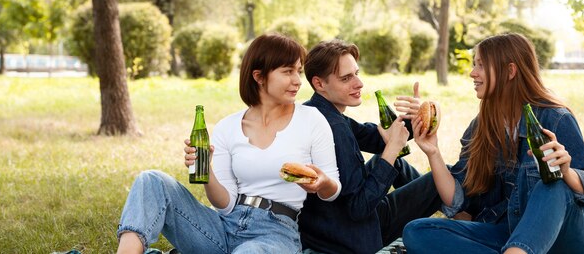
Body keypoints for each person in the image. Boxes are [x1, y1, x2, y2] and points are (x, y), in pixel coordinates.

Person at [116, 33, 341, 254]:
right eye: (288, 71)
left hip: (275, 233)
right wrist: (207, 170)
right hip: (223, 227)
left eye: (298, 71)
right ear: (259, 76)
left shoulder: (311, 119)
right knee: (152, 181)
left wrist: (322, 183)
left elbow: (333, 190)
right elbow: (225, 204)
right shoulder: (228, 126)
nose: (297, 81)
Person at [404, 33, 584, 253]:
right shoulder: (481, 126)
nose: (472, 73)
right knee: (417, 231)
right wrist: (433, 151)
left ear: (510, 71)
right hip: (507, 234)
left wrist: (567, 173)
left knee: (553, 183)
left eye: (481, 65)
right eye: (474, 65)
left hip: (561, 239)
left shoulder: (555, 119)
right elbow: (458, 200)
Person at [299, 39, 442, 254]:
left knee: (393, 163)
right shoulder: (334, 128)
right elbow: (359, 208)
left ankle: (450, 202)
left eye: (356, 73)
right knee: (443, 174)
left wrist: (423, 113)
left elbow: (375, 137)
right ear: (319, 84)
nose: (359, 83)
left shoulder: (315, 111)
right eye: (346, 78)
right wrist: (391, 151)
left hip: (327, 228)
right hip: (355, 234)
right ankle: (459, 211)